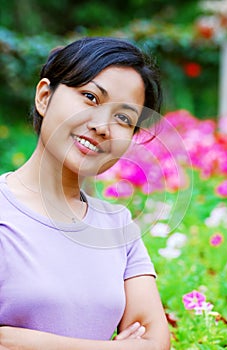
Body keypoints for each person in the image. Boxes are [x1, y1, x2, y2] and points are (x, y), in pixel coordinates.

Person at [0, 37, 170, 349]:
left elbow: (154, 340)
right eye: (90, 97)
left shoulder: (118, 226)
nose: (103, 126)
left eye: (123, 118)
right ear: (44, 96)